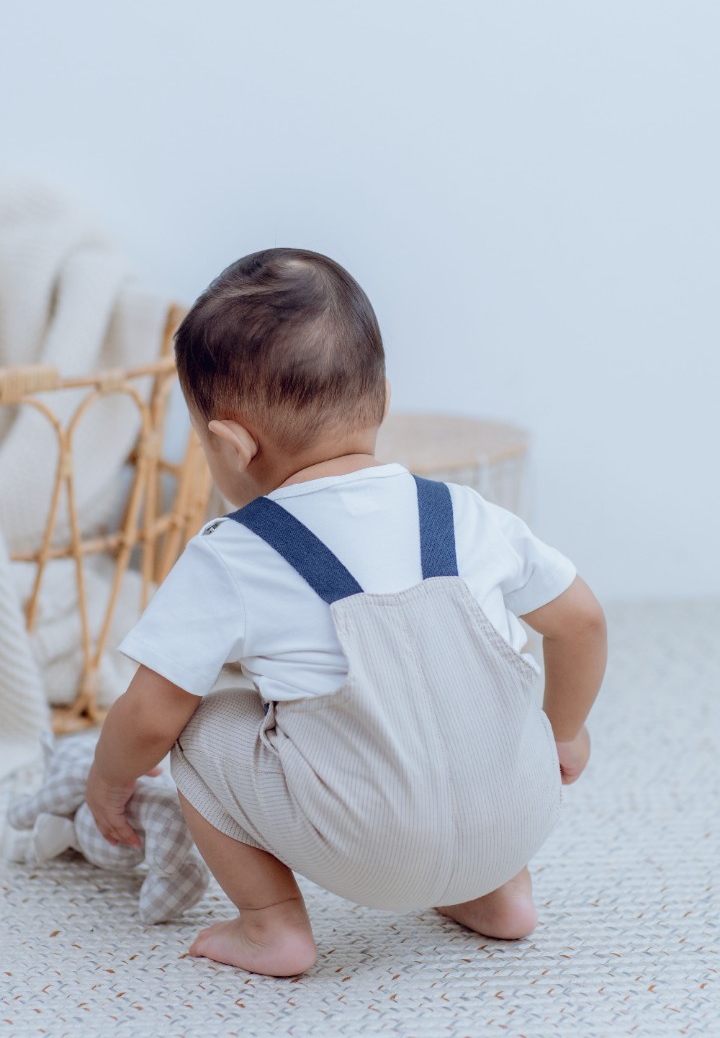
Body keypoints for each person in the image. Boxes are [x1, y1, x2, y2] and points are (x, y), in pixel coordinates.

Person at [86, 248, 607, 978]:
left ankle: (271, 924)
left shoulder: (233, 553)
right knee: (474, 704)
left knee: (197, 722)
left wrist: (109, 782)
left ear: (231, 443)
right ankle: (498, 894)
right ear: (383, 397)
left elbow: (148, 712)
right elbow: (581, 621)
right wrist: (567, 731)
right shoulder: (464, 514)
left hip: (366, 850)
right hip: (520, 815)